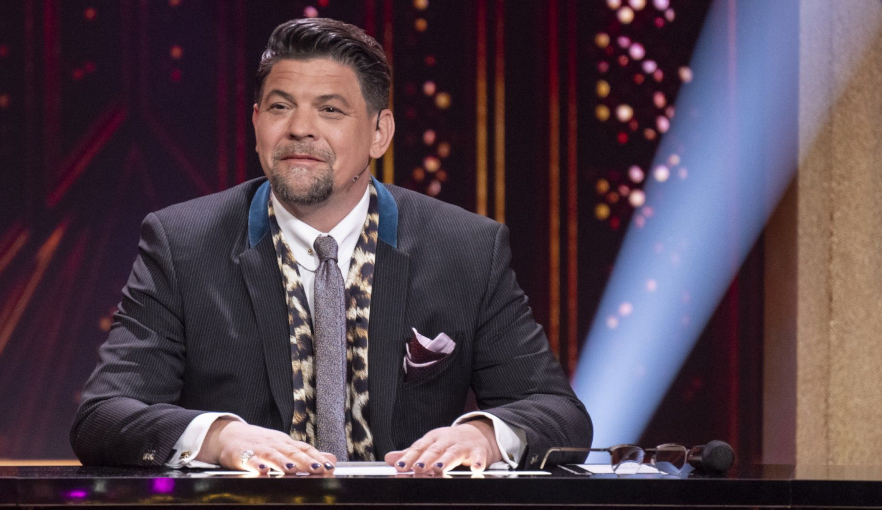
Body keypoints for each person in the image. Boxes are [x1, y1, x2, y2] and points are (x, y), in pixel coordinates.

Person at [70, 17, 591, 475]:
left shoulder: (466, 249)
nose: (300, 129)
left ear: (380, 132)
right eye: (280, 107)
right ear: (257, 123)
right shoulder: (181, 244)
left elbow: (558, 412)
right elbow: (103, 416)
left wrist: (484, 436)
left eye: (330, 110)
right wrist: (219, 438)